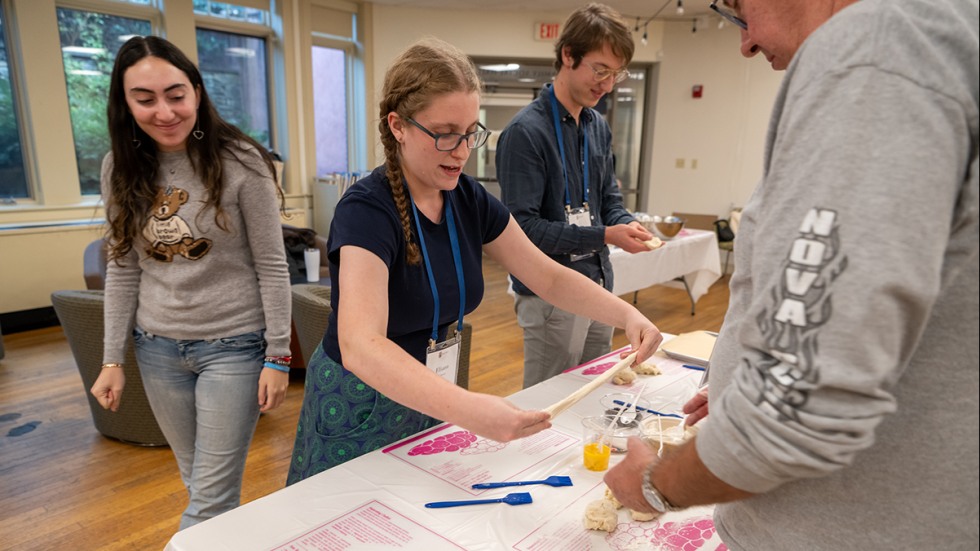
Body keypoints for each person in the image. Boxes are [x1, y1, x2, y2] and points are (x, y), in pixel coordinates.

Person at [604, 0, 979, 548]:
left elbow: (802, 401)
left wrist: (656, 485)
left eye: (738, 8)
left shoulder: (879, 49)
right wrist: (744, 378)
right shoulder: (946, 37)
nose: (746, 41)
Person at [286, 37, 663, 484]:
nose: (463, 151)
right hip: (361, 402)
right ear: (398, 126)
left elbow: (547, 276)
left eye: (470, 133)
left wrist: (626, 314)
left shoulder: (467, 198)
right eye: (445, 134)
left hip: (433, 391)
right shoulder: (366, 211)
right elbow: (361, 345)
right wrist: (468, 409)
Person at [90, 36, 292, 530]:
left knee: (210, 499)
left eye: (176, 94)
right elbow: (123, 267)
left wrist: (278, 355)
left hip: (234, 345)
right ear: (125, 103)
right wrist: (111, 359)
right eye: (145, 98)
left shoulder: (243, 162)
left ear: (197, 93)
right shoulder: (119, 167)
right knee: (199, 484)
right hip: (156, 348)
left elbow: (272, 264)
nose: (164, 111)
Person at [496, 3, 655, 389]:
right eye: (600, 70)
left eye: (616, 75)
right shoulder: (525, 133)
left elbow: (608, 200)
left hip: (597, 282)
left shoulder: (596, 125)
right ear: (568, 55)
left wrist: (624, 223)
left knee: (596, 391)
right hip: (550, 295)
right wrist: (604, 235)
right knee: (548, 400)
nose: (607, 84)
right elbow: (525, 232)